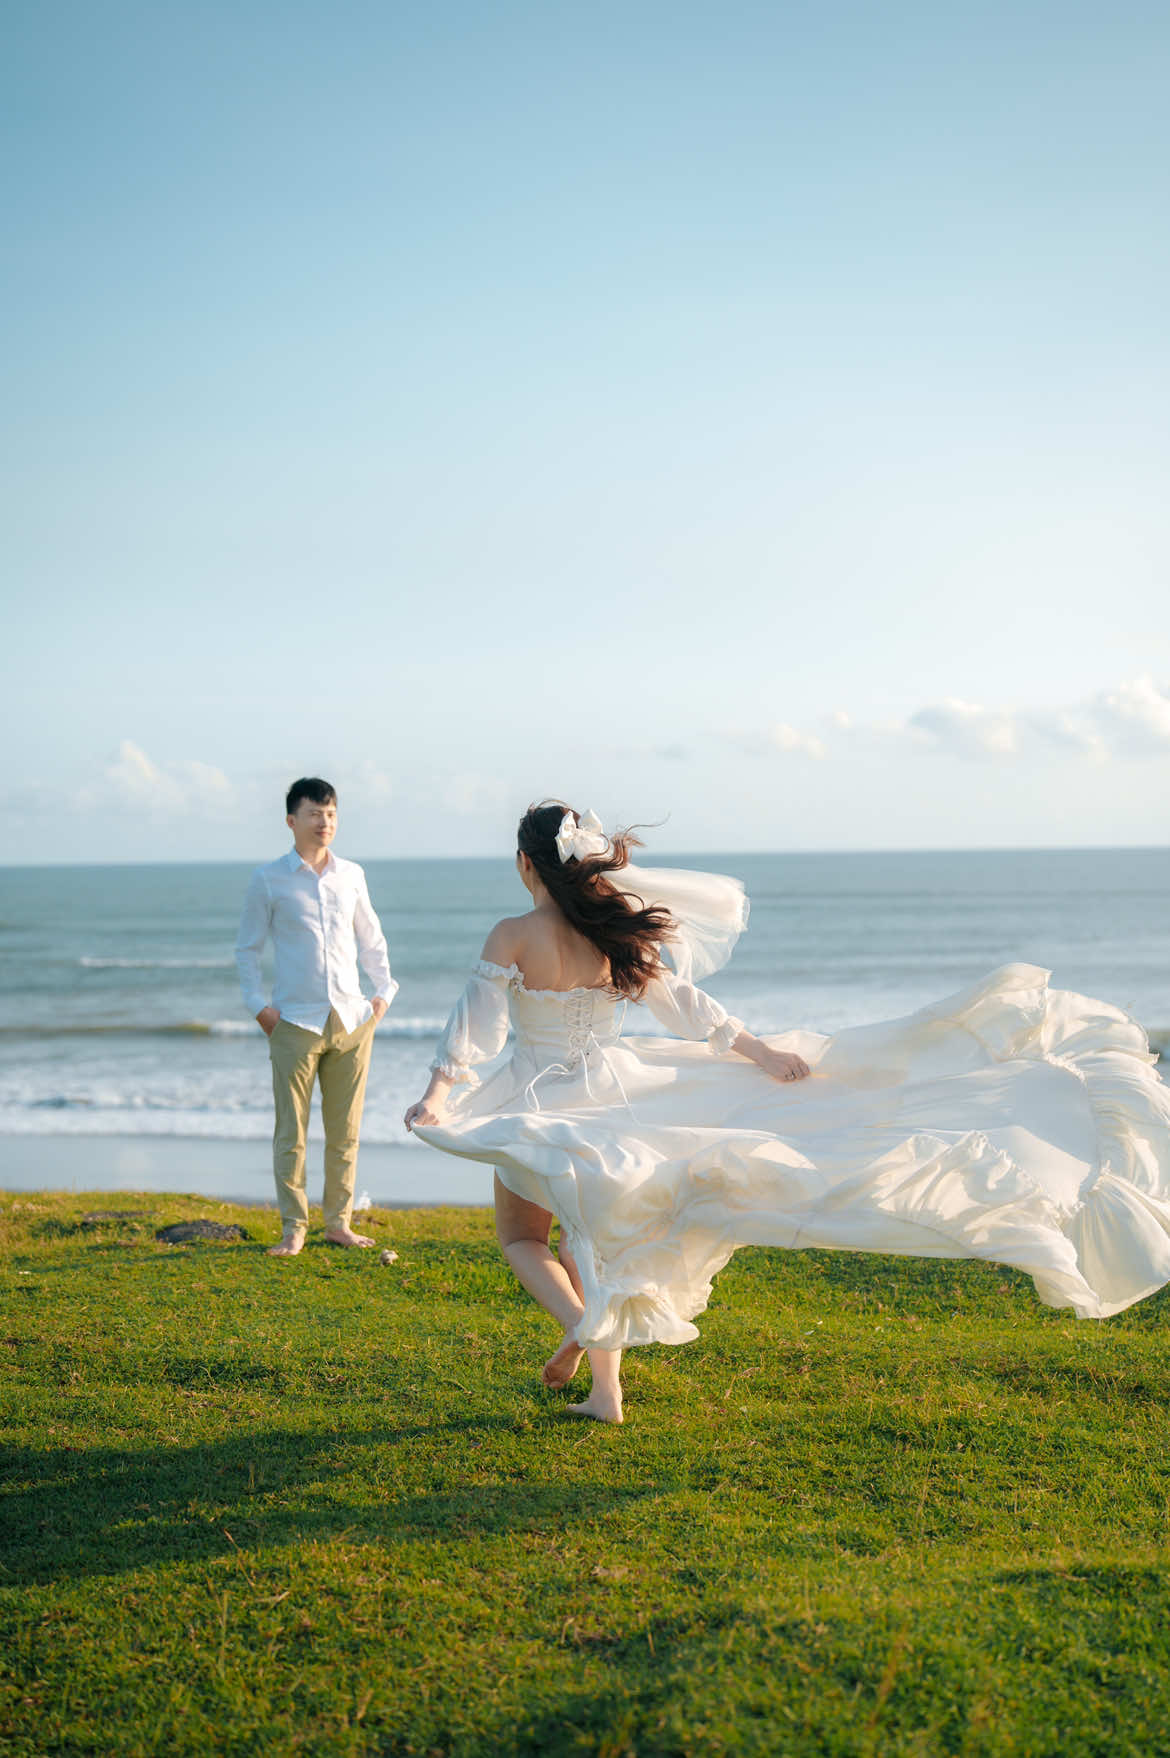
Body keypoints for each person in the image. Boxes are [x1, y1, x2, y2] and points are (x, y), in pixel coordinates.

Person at [405, 802, 1170, 1423]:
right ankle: (604, 1392)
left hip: (540, 1100)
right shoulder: (615, 932)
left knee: (519, 1235)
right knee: (596, 1242)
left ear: (525, 866)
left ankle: (584, 1331)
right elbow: (685, 1007)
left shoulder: (513, 934)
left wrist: (440, 1095)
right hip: (619, 1093)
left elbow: (474, 1030)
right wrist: (759, 1053)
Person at [236, 776, 398, 1257]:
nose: (324, 821)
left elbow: (372, 939)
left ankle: (339, 1224)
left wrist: (382, 996)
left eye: (330, 813)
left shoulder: (351, 874)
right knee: (292, 1132)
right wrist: (259, 1008)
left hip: (351, 1020)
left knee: (345, 1132)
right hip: (294, 1023)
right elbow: (247, 949)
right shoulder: (268, 879)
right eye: (314, 813)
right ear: (292, 821)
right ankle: (293, 1228)